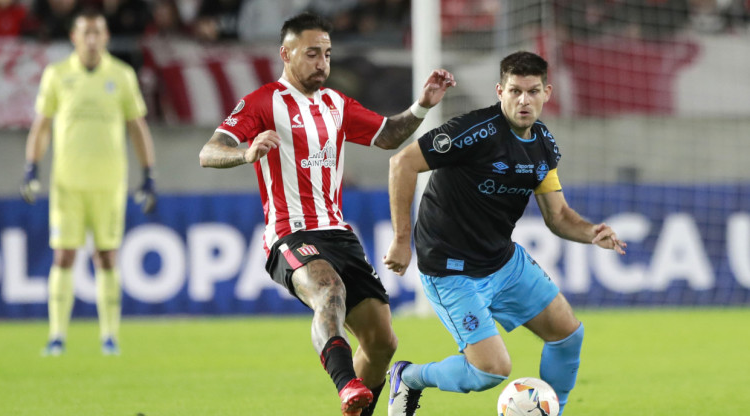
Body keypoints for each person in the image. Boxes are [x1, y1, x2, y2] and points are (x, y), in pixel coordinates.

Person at [198, 12, 454, 416]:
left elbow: (386, 135)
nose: (322, 63)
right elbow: (208, 152)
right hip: (290, 234)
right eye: (312, 53)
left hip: (338, 233)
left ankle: (357, 406)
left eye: (328, 54)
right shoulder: (263, 102)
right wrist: (245, 153)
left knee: (383, 343)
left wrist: (422, 106)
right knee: (328, 292)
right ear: (286, 53)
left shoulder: (335, 103)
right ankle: (346, 385)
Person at [383, 51, 627, 416]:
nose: (523, 100)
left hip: (502, 262)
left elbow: (557, 216)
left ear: (547, 92)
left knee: (567, 334)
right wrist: (402, 239)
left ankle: (550, 412)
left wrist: (592, 232)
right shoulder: (473, 131)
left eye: (532, 91)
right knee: (490, 371)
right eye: (515, 91)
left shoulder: (544, 146)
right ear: (500, 91)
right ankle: (410, 377)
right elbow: (402, 163)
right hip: (452, 270)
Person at [20, 9, 157, 357]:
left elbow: (137, 127)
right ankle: (56, 336)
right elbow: (42, 125)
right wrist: (31, 167)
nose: (92, 39)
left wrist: (148, 174)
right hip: (67, 184)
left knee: (107, 257)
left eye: (98, 33)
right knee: (63, 254)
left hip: (109, 184)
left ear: (106, 38)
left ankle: (109, 337)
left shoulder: (122, 75)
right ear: (74, 38)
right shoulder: (57, 74)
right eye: (86, 33)